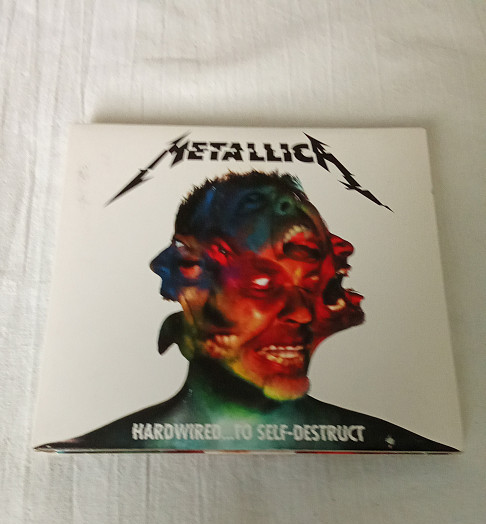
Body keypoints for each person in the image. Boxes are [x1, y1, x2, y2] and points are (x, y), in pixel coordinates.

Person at [38, 171, 454, 451]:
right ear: (191, 284)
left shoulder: (393, 446)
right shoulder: (109, 446)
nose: (303, 314)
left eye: (313, 285)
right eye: (263, 284)